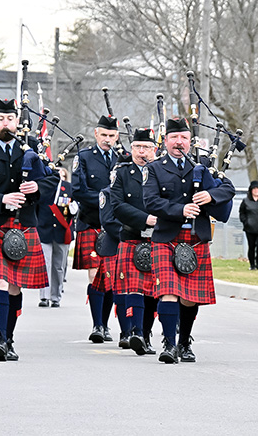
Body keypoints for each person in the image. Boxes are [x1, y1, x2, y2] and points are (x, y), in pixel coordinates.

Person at [143, 117, 235, 364]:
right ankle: (169, 344)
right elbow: (150, 201)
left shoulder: (201, 167)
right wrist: (179, 210)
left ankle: (184, 342)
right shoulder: (154, 168)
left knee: (190, 297)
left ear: (190, 141)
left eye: (183, 137)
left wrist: (210, 195)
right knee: (168, 291)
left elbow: (228, 189)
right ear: (166, 141)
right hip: (167, 237)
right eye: (174, 138)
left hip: (195, 238)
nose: (179, 142)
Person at [0, 97, 51, 361]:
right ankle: (0, 337)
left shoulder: (32, 149)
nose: (6, 123)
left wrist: (38, 188)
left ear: (17, 122)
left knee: (15, 287)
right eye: (1, 118)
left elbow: (51, 180)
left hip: (23, 224)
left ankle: (9, 338)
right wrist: (1, 199)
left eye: (10, 119)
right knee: (0, 281)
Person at [110, 128, 159, 355]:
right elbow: (117, 206)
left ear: (154, 150)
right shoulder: (122, 173)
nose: (142, 152)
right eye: (138, 147)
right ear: (131, 149)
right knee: (135, 288)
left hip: (158, 237)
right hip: (132, 235)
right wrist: (144, 219)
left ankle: (146, 335)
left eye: (147, 147)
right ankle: (136, 332)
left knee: (153, 291)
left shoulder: (161, 171)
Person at [72, 115, 119, 343]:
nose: (107, 139)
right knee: (95, 274)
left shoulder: (123, 159)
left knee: (109, 276)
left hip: (115, 226)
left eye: (111, 136)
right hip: (91, 221)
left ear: (117, 136)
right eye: (104, 135)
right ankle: (97, 325)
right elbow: (78, 191)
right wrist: (105, 201)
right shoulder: (83, 158)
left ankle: (106, 324)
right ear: (96, 134)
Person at [37, 166, 77, 308]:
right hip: (44, 229)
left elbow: (75, 204)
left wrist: (75, 208)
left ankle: (55, 296)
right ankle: (44, 296)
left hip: (62, 231)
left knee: (58, 266)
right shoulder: (44, 186)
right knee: (45, 264)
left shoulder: (68, 187)